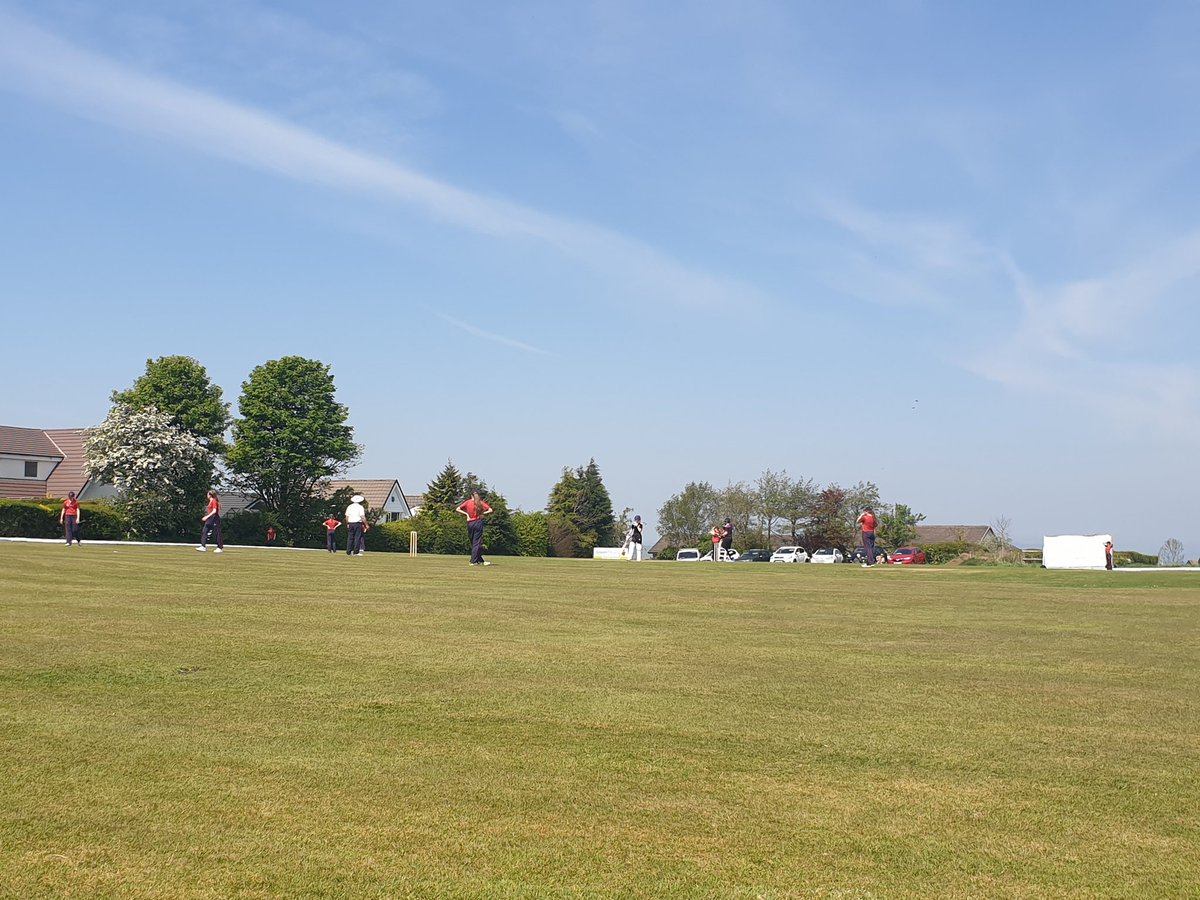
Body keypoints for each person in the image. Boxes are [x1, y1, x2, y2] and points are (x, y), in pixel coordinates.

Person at [456, 491, 493, 566]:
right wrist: (482, 514)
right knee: (476, 543)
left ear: (471, 495)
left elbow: (458, 509)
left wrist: (466, 514)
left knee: (474, 542)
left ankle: (480, 560)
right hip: (478, 522)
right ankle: (473, 561)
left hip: (470, 523)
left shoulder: (467, 502)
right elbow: (490, 510)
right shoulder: (480, 503)